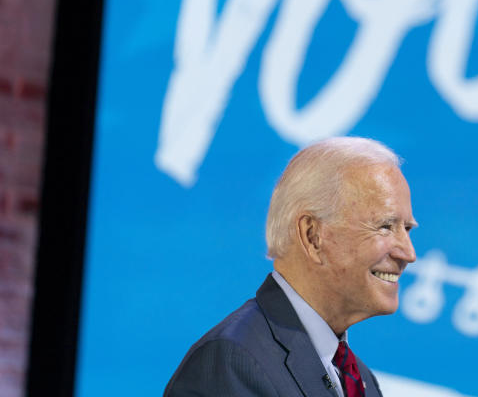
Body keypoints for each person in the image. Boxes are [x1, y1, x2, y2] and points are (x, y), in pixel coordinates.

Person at [164, 137, 417, 396]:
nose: (409, 254)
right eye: (385, 226)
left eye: (407, 229)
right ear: (312, 236)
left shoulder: (360, 379)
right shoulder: (233, 362)